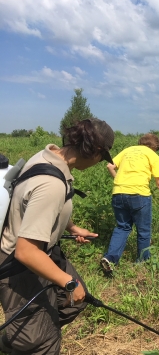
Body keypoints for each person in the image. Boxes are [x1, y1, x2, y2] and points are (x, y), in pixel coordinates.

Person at [0, 119, 114, 354]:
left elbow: (37, 206)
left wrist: (71, 227)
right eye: (102, 158)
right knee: (43, 342)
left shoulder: (47, 157)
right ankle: (28, 337)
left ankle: (31, 329)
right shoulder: (51, 184)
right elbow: (26, 251)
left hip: (44, 252)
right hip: (19, 265)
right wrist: (68, 282)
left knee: (71, 304)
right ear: (96, 152)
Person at [101, 133, 159, 274]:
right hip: (139, 195)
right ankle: (142, 261)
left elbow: (109, 166)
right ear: (153, 147)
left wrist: (119, 180)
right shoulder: (152, 155)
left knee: (122, 227)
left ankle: (110, 258)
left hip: (118, 193)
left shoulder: (128, 150)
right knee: (144, 231)